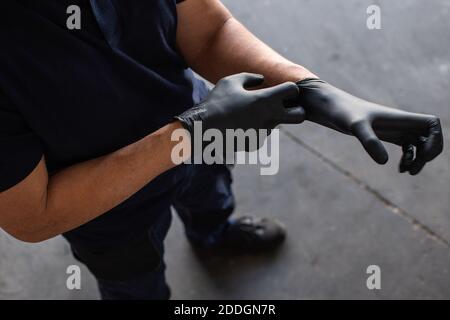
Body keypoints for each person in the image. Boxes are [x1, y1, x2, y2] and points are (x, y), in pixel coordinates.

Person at [0, 0, 443, 300]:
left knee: (211, 197)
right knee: (133, 283)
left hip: (205, 133)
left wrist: (310, 90)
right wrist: (186, 133)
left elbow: (210, 31)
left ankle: (213, 234)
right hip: (106, 212)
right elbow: (35, 213)